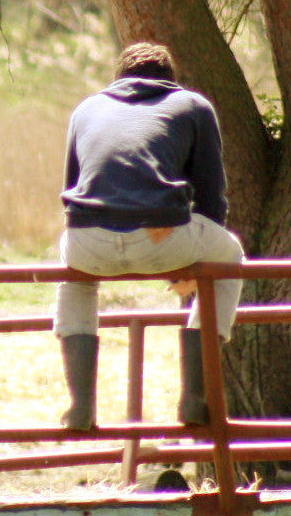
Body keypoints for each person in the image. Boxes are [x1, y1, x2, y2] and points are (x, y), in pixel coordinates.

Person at [54, 42, 245, 431]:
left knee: (74, 279)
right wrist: (195, 266)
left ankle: (80, 406)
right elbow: (211, 198)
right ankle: (195, 397)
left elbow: (72, 188)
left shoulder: (86, 109)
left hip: (87, 239)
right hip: (162, 236)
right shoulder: (192, 106)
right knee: (232, 257)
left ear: (119, 77)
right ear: (171, 78)